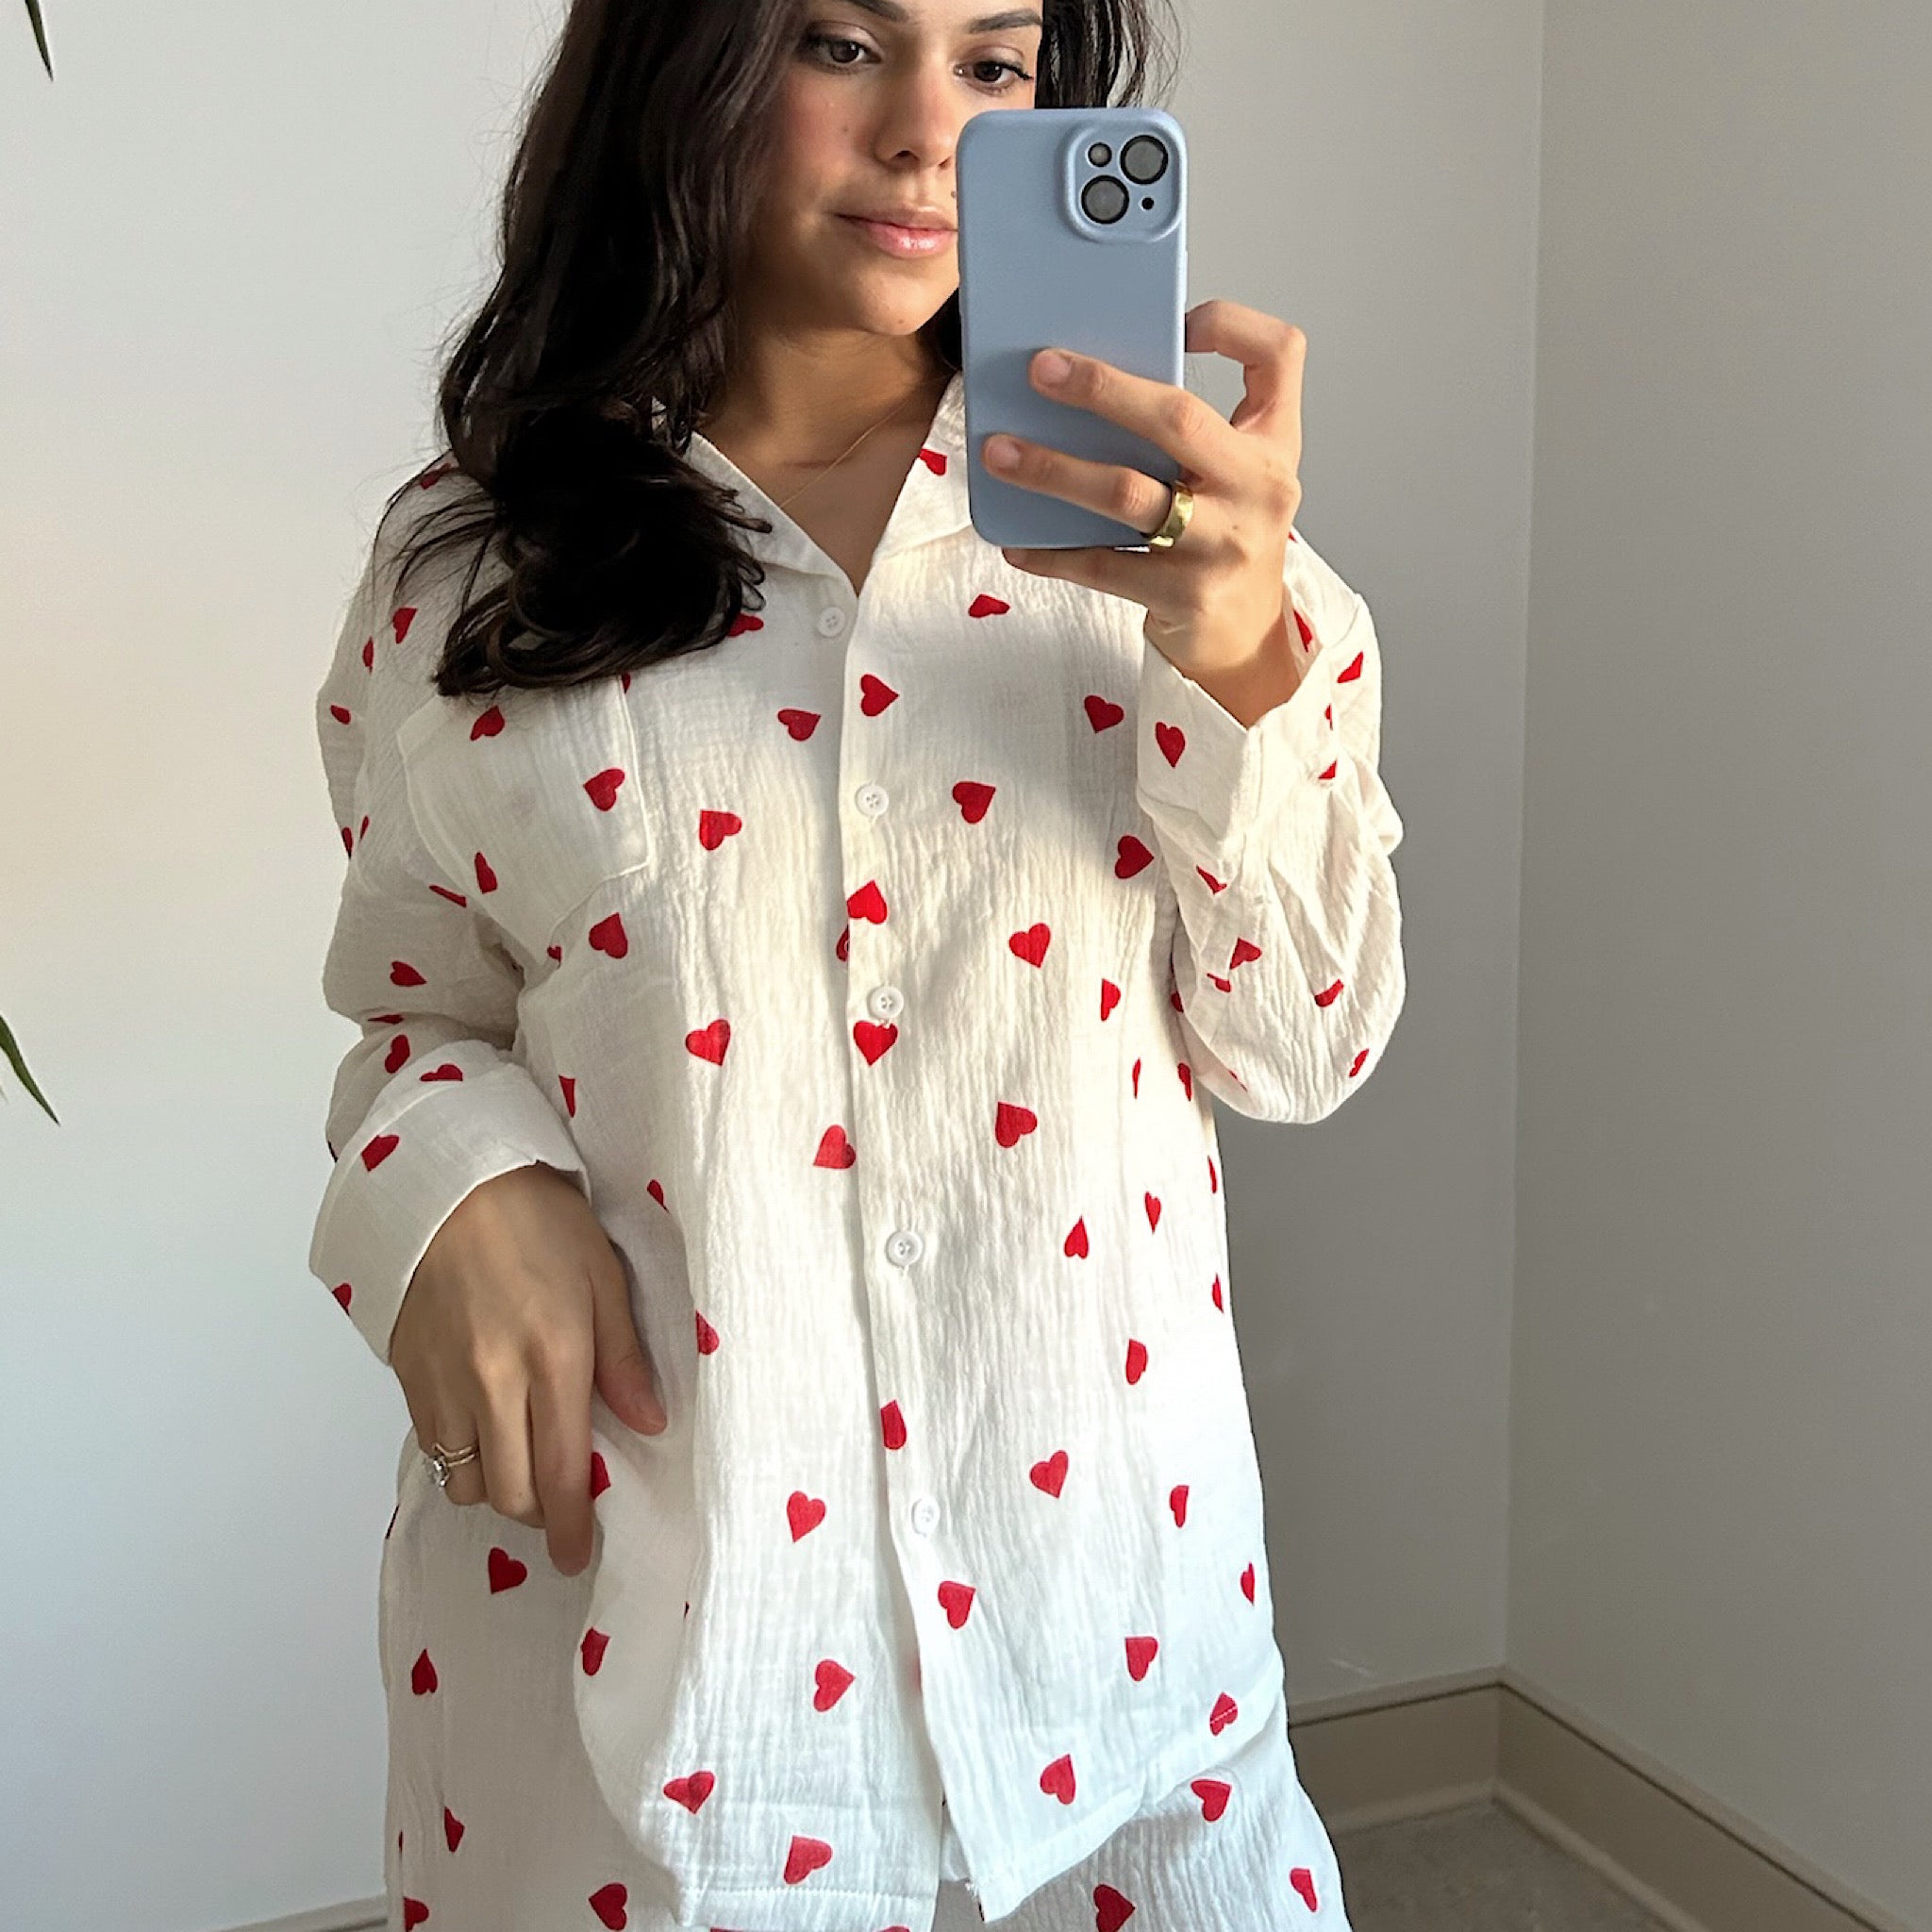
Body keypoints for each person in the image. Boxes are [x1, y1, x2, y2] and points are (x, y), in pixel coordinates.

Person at [308, 1, 1406, 1927]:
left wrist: (1242, 661)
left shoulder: (1193, 560)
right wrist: (458, 1185)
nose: (926, 133)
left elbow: (1300, 1048)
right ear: (683, 66)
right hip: (657, 1693)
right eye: (838, 41)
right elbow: (421, 1005)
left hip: (1127, 1671)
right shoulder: (470, 568)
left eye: (993, 64)